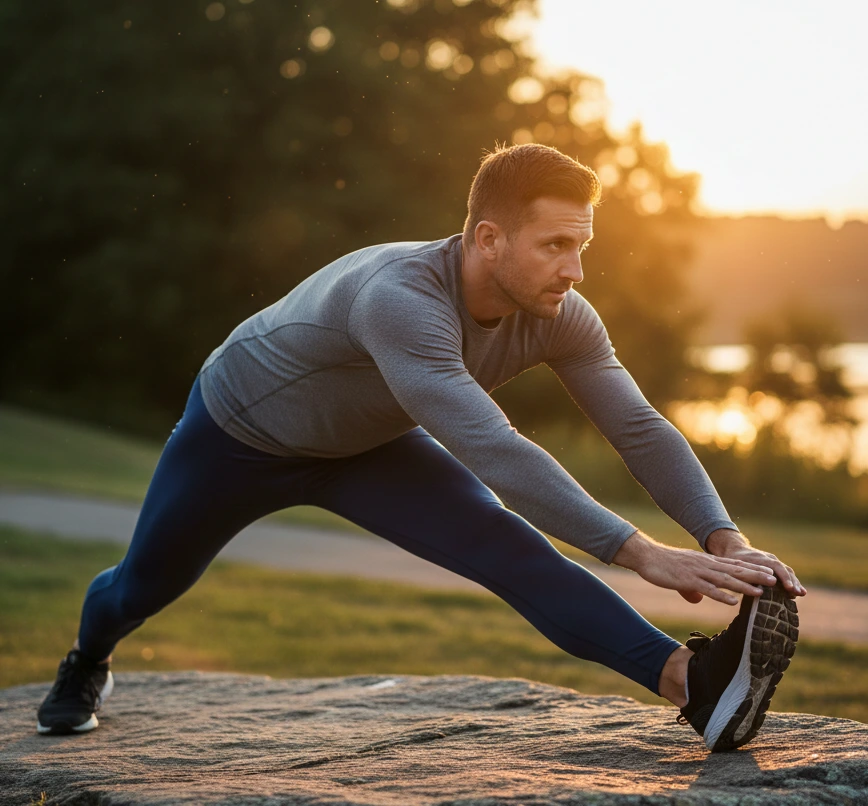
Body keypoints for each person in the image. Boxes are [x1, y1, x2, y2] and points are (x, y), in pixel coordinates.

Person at [36, 143, 802, 752]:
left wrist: (722, 538)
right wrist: (640, 552)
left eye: (583, 246)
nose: (574, 269)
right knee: (141, 587)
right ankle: (87, 659)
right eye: (556, 245)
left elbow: (636, 427)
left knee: (506, 545)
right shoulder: (401, 298)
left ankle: (692, 685)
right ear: (487, 237)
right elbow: (492, 447)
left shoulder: (560, 310)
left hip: (369, 447)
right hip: (239, 434)